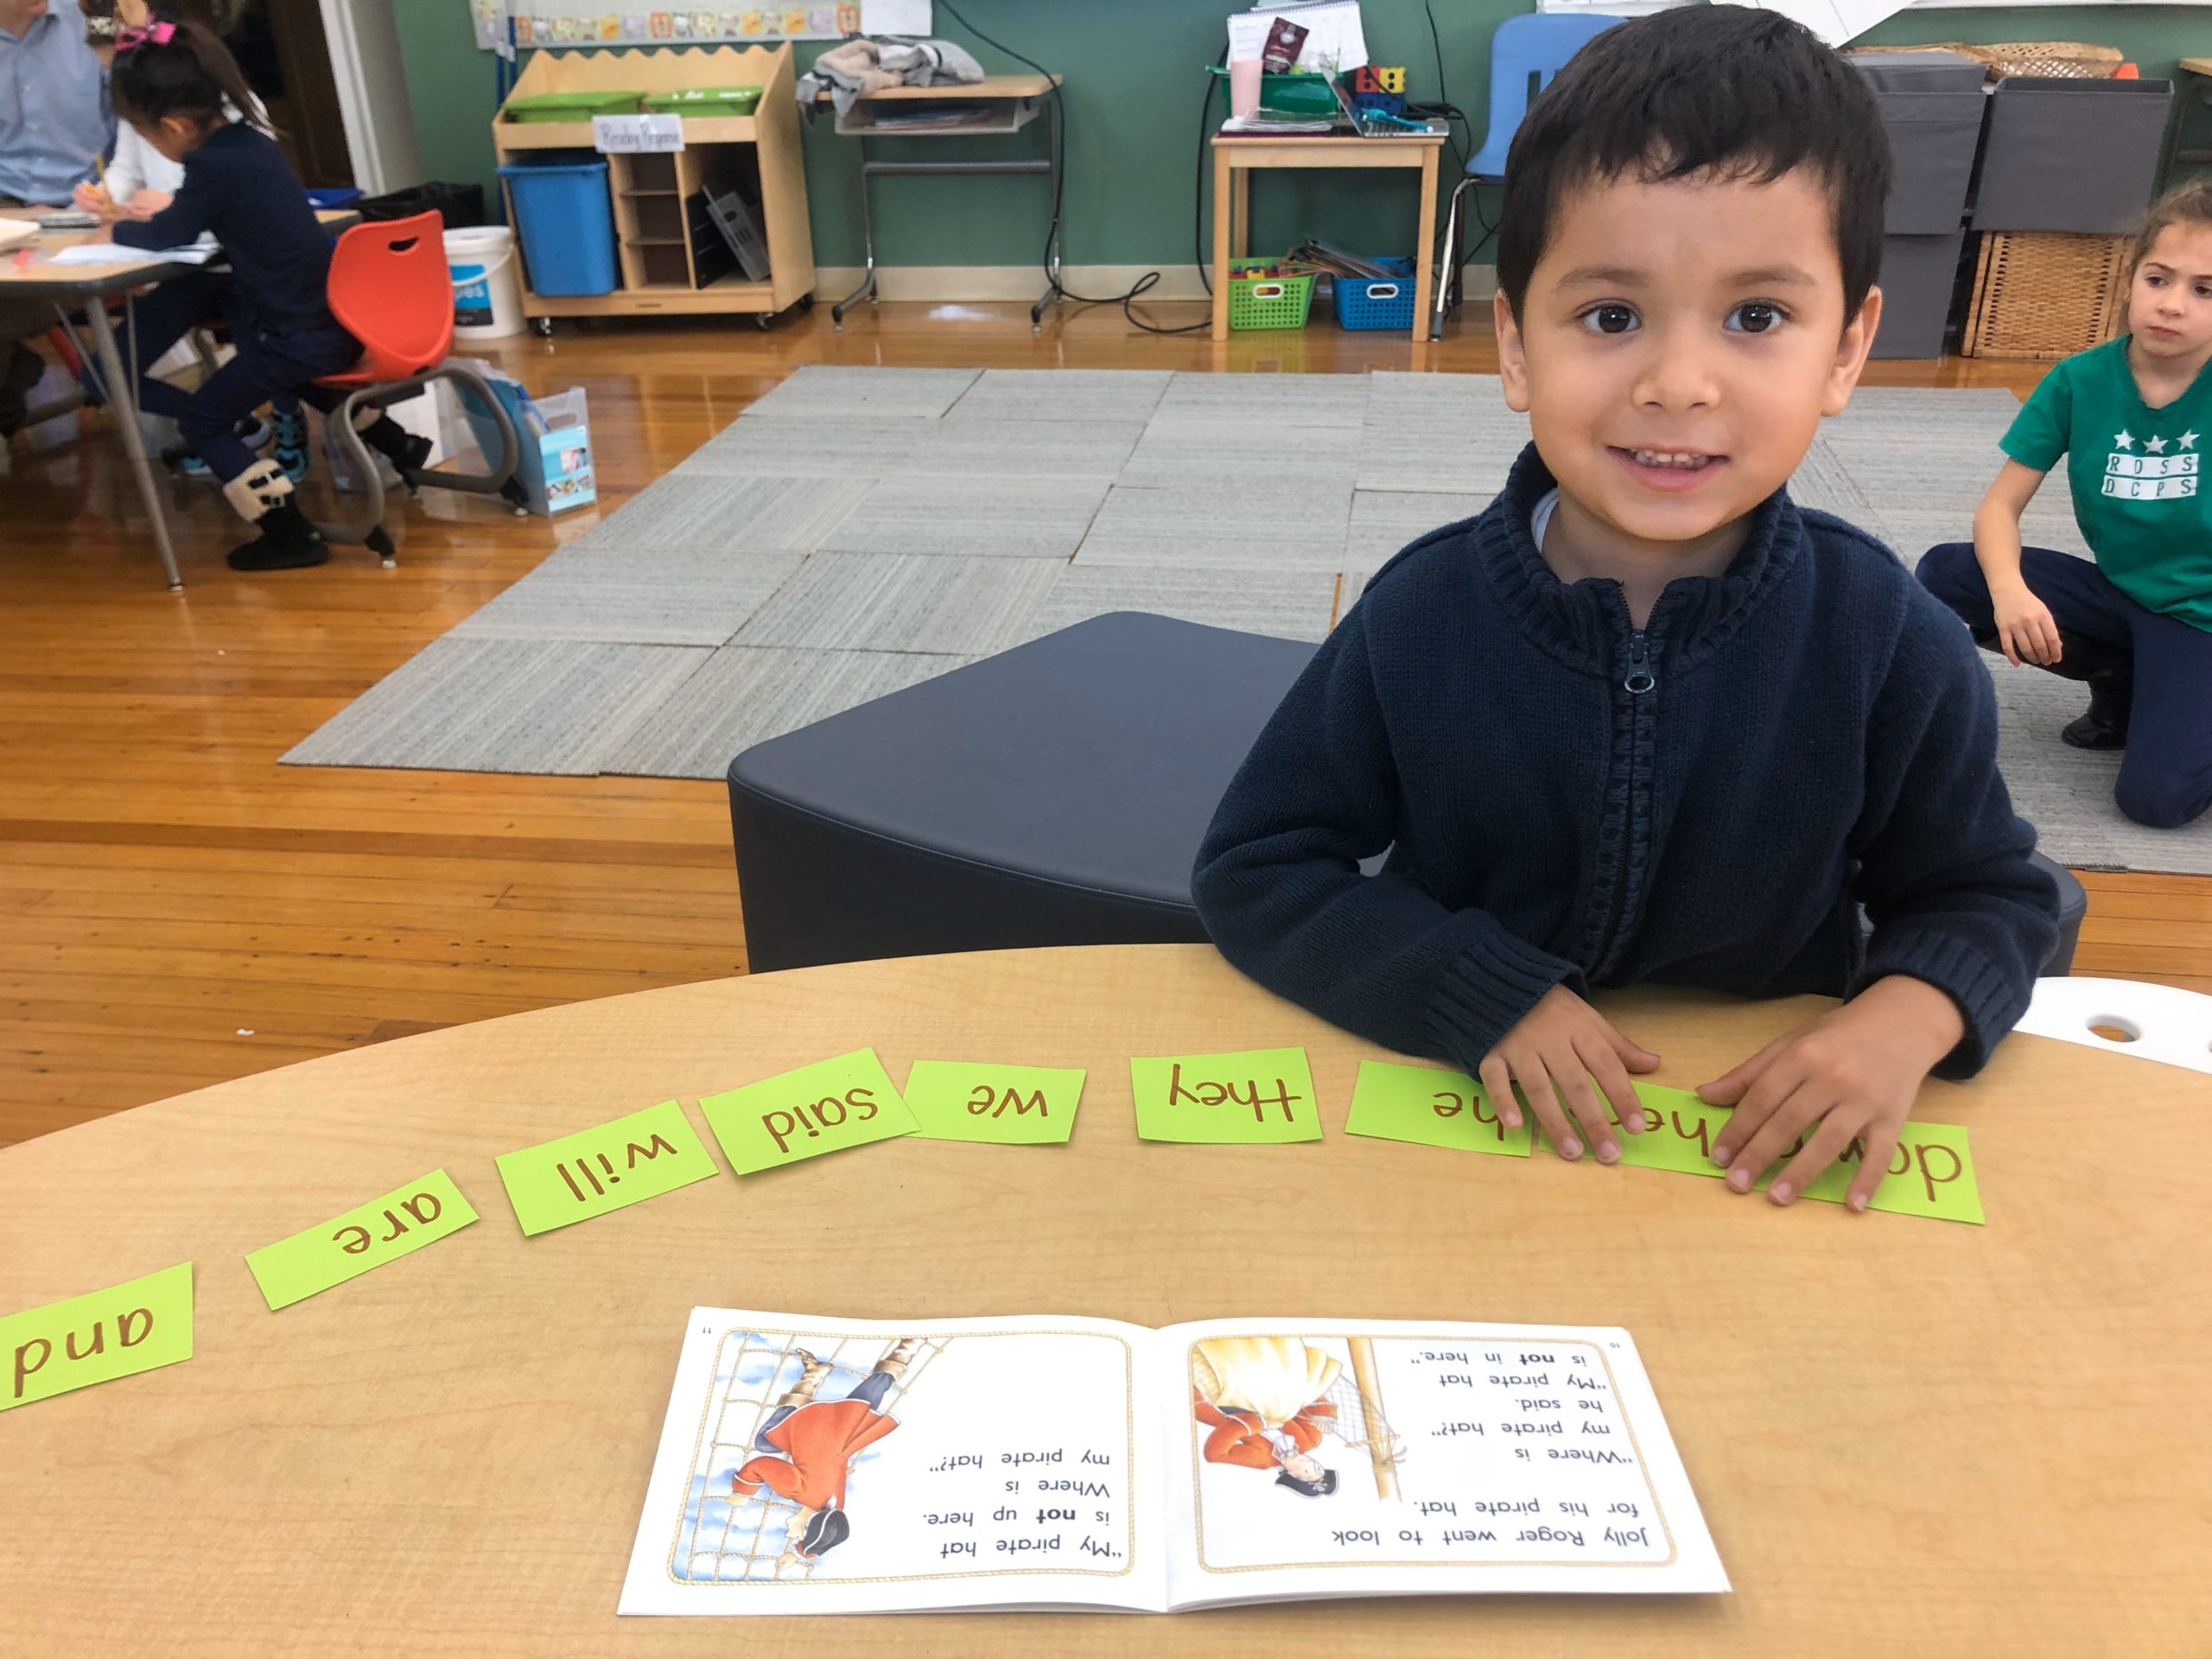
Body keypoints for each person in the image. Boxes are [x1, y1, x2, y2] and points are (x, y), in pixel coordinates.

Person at [1191, 7, 2060, 1213]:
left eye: (1758, 318)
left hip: (1742, 1149)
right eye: (1611, 317)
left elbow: (1993, 895)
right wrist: (1472, 987)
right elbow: (1259, 867)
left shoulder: (1886, 638)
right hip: (1472, 1128)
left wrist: (1901, 1022)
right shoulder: (1423, 614)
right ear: (1515, 345)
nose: (1677, 384)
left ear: (1848, 349)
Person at [1917, 181, 2212, 830]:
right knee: (1947, 572)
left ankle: (2169, 693)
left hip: (2202, 618)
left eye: (2204, 290)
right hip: (2122, 592)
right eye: (2158, 279)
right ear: (2131, 278)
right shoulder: (2080, 379)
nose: (2171, 305)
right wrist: (2009, 593)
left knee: (2156, 802)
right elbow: (1999, 509)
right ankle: (2125, 679)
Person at [99, 19, 426, 569]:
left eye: (146, 133)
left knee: (203, 420)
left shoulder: (209, 166)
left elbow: (170, 232)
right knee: (303, 381)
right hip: (334, 324)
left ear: (175, 126)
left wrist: (115, 228)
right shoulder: (251, 141)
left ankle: (289, 533)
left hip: (295, 338)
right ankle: (403, 446)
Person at [0, 0, 112, 447]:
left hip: (87, 206)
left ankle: (10, 385)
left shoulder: (95, 26)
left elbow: (139, 133)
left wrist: (90, 209)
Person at [729, 1339, 921, 1567]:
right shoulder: (797, 1491)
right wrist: (743, 1491)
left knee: (863, 1402)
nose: (796, 1535)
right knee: (764, 1442)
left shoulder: (837, 1504)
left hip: (843, 1437)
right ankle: (811, 1378)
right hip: (814, 1432)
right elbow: (760, 1465)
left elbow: (823, 1524)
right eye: (802, 1534)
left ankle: (905, 1350)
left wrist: (798, 1551)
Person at [1191, 1336, 1342, 1499]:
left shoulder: (1262, 1460)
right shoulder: (1310, 1439)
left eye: (1306, 1471)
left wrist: (1259, 1423)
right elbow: (1304, 1393)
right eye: (1317, 1467)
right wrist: (1323, 1416)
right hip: (1258, 1381)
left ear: (1291, 1474)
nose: (1309, 1463)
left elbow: (1215, 1454)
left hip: (1222, 1406)